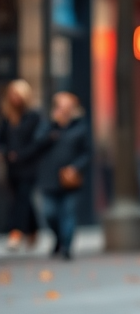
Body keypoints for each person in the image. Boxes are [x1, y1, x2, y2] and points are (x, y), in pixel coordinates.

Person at [33, 92, 90, 260]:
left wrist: (76, 167)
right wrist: (52, 127)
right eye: (60, 106)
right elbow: (37, 144)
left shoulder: (80, 126)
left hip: (70, 180)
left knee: (68, 213)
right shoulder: (47, 125)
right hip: (49, 178)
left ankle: (67, 246)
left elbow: (87, 152)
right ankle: (58, 238)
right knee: (49, 213)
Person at [0, 80, 42, 252]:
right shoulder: (7, 117)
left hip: (28, 166)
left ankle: (16, 233)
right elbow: (2, 139)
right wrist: (6, 153)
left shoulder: (33, 116)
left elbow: (37, 142)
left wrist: (21, 154)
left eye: (18, 94)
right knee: (21, 199)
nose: (14, 98)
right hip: (12, 167)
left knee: (22, 199)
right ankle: (33, 228)